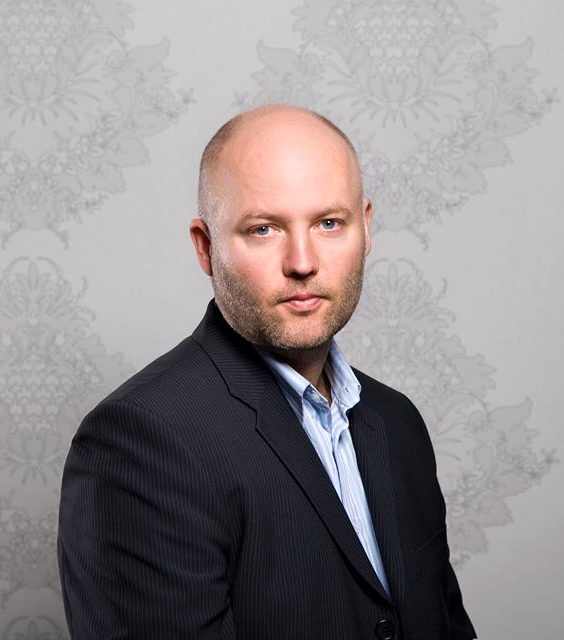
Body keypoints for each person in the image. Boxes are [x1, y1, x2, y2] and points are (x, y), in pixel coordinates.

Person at [57, 104, 477, 640]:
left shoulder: (397, 422)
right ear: (206, 247)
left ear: (366, 227)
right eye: (263, 229)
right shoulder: (140, 439)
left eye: (329, 223)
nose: (302, 262)